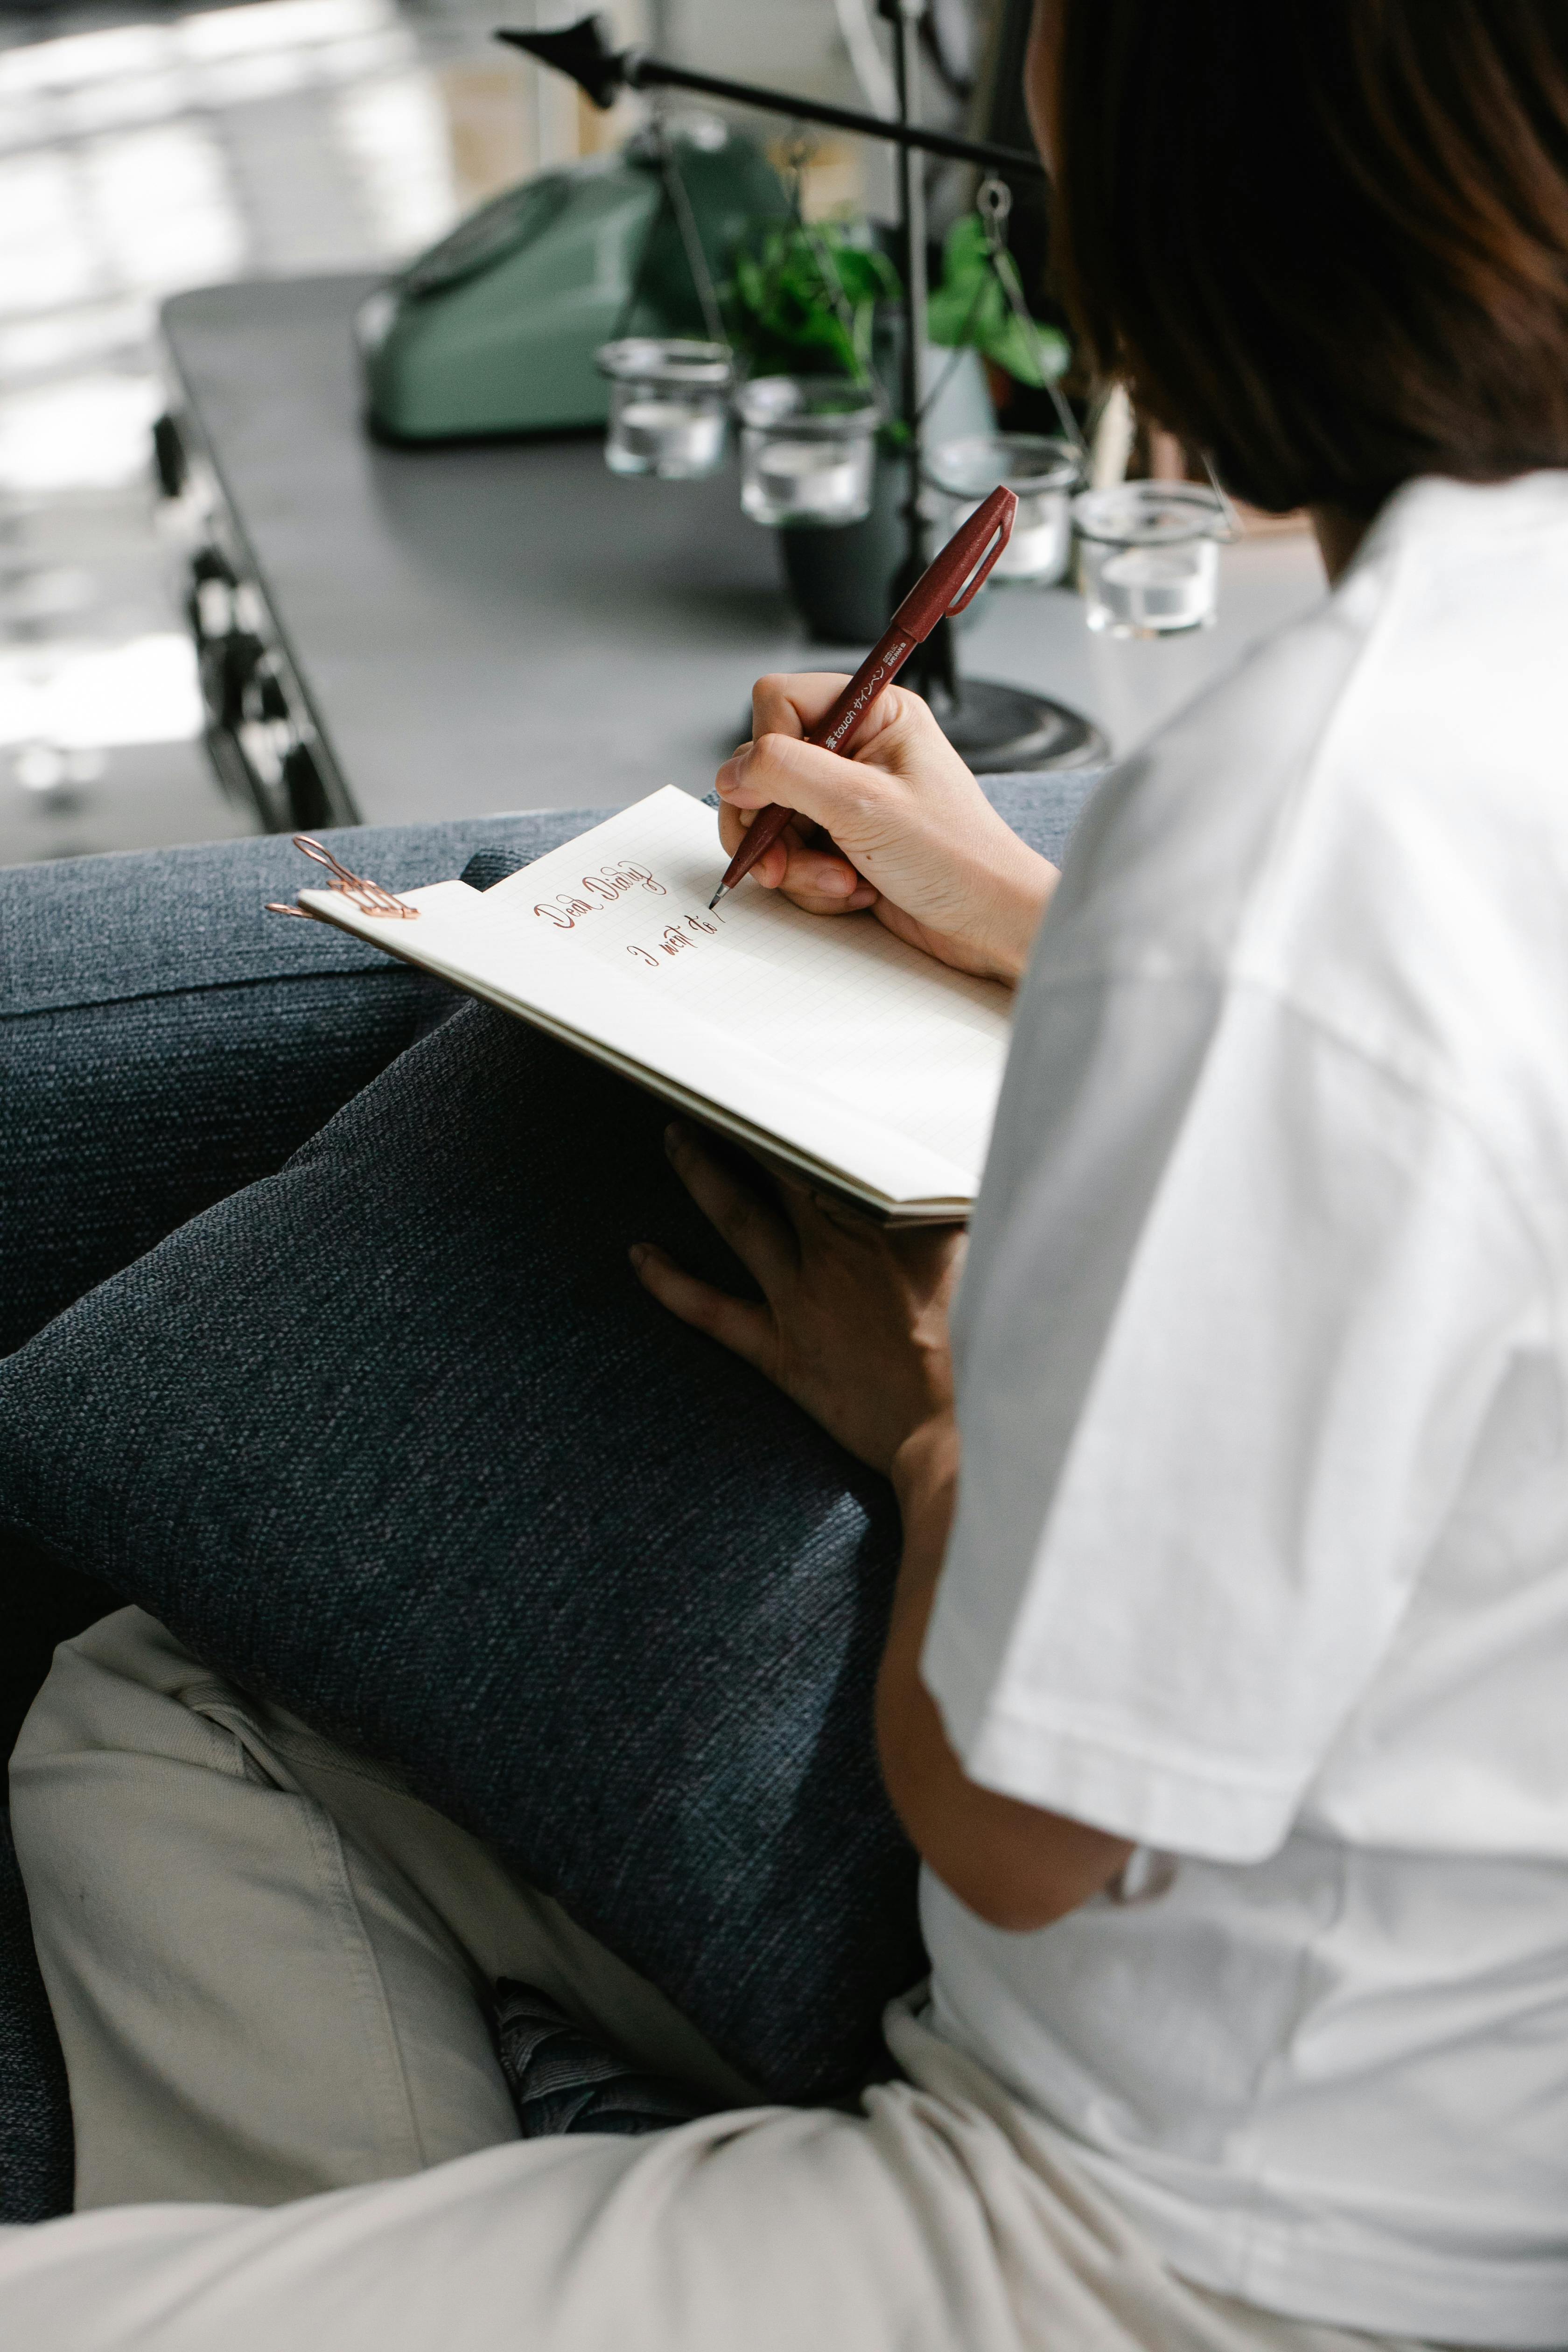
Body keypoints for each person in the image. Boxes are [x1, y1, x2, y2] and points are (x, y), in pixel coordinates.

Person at [6, 0, 1568, 2342]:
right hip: (1441, 2096)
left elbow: (1030, 1837)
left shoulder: (1301, 817)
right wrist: (1026, 919)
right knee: (160, 1703)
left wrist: (926, 1415)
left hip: (1187, 2230)